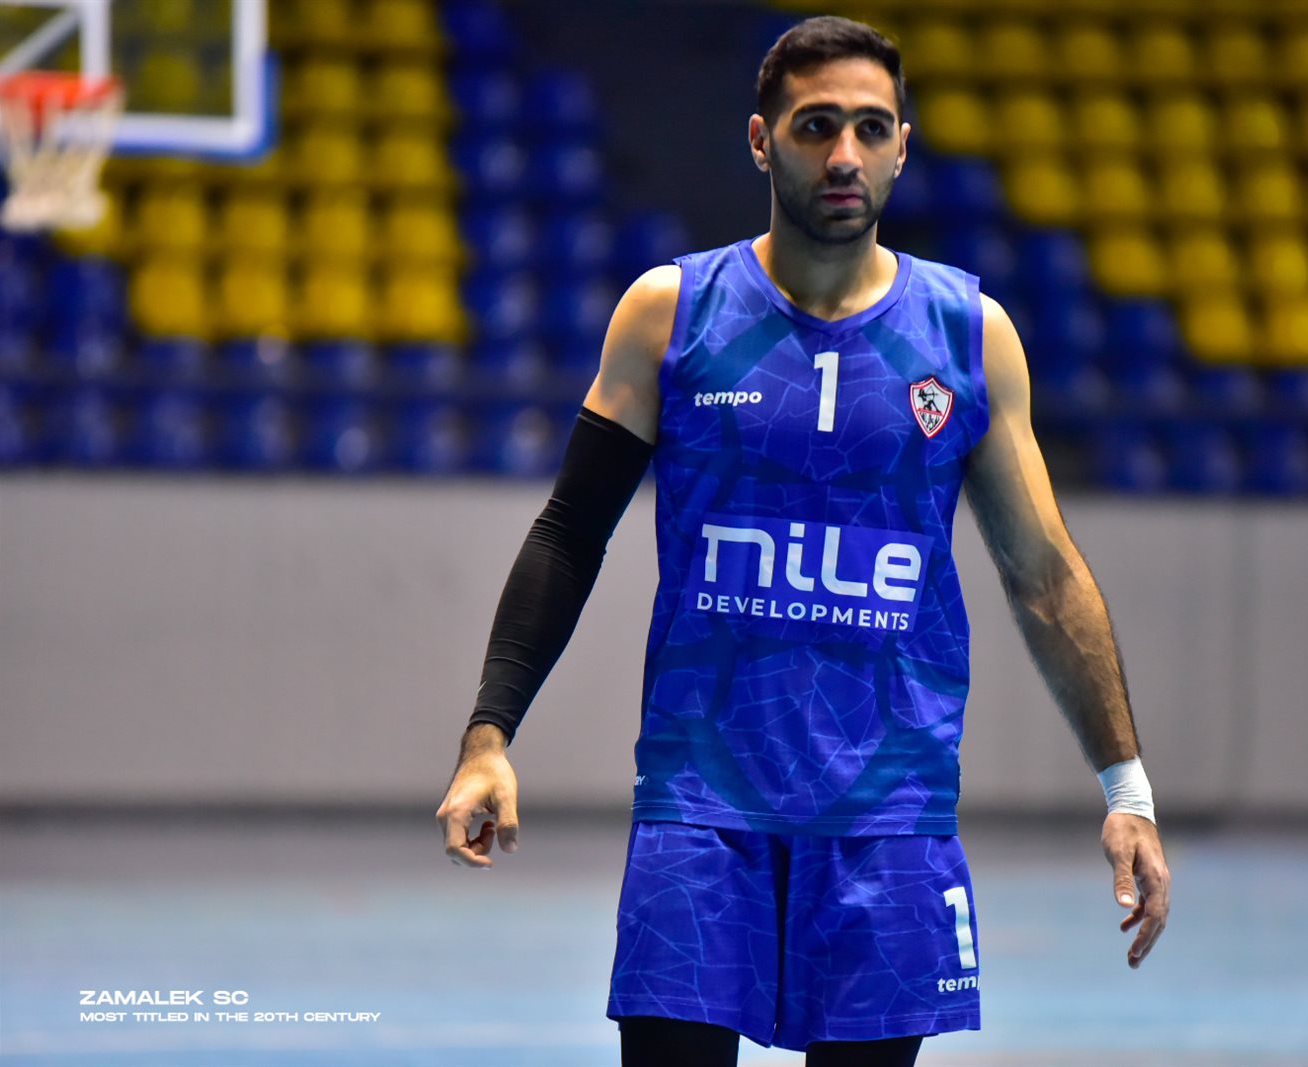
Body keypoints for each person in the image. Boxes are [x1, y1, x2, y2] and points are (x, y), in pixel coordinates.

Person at [435, 16, 1170, 1067]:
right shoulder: (670, 314)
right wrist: (489, 735)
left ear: (903, 146)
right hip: (700, 807)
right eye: (816, 125)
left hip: (890, 816)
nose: (843, 155)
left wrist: (1126, 792)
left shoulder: (969, 335)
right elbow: (569, 532)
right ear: (760, 140)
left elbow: (1043, 573)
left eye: (870, 128)